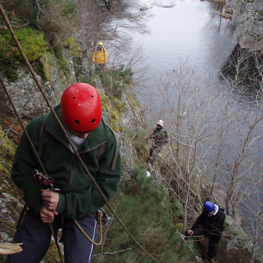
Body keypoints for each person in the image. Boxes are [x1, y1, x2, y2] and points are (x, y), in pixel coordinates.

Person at [6, 83, 121, 263]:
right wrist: (38, 204)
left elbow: (107, 185)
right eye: (78, 132)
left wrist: (65, 203)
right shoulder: (40, 129)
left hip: (83, 205)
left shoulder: (105, 140)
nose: (84, 137)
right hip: (44, 199)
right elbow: (22, 172)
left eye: (88, 132)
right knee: (19, 259)